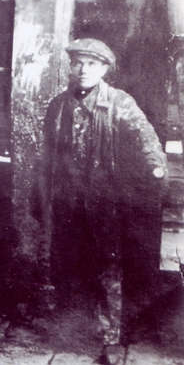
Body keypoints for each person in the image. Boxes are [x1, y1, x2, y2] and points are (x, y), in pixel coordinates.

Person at [40, 38, 167, 365]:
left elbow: (146, 140)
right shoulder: (58, 106)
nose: (84, 70)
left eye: (92, 64)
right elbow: (47, 158)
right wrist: (41, 198)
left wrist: (154, 170)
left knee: (108, 270)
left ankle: (111, 340)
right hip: (69, 203)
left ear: (104, 69)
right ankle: (76, 329)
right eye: (78, 63)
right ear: (70, 67)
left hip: (104, 204)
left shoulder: (119, 103)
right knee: (69, 265)